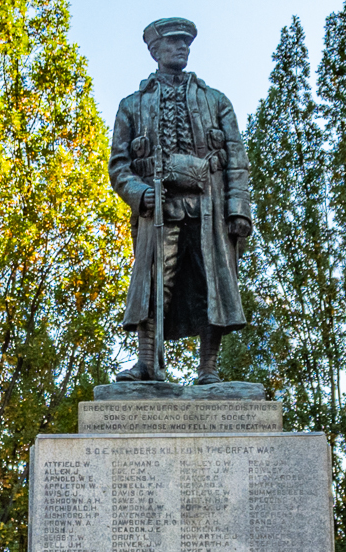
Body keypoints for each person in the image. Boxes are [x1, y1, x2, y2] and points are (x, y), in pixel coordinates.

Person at [107, 17, 252, 383]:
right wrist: (141, 194)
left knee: (211, 285)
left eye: (185, 43)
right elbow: (119, 167)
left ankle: (208, 369)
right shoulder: (132, 106)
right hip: (159, 210)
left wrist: (239, 210)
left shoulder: (215, 100)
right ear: (155, 51)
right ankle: (147, 363)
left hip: (209, 210)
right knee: (154, 284)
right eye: (173, 43)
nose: (182, 48)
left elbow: (236, 159)